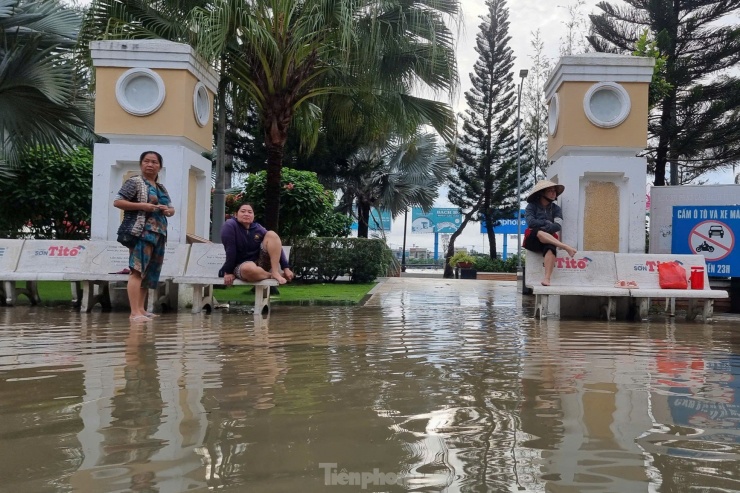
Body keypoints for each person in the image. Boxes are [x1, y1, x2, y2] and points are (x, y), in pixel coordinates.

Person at [114, 151, 175, 321]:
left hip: (159, 234)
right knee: (137, 270)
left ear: (159, 166)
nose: (150, 164)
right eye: (146, 161)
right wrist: (143, 206)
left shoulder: (161, 187)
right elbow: (118, 201)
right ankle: (134, 312)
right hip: (141, 232)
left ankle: (141, 309)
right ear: (141, 164)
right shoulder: (134, 182)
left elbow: (171, 209)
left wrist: (168, 211)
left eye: (154, 162)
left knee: (149, 273)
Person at [220, 202, 294, 286]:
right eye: (243, 211)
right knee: (248, 268)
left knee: (272, 234)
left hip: (260, 263)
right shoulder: (230, 225)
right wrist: (228, 271)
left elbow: (277, 246)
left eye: (250, 212)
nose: (246, 214)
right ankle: (271, 275)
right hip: (242, 266)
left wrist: (286, 268)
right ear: (236, 215)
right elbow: (230, 250)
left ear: (253, 216)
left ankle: (275, 272)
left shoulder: (258, 228)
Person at [523, 179, 577, 286]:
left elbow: (557, 226)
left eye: (554, 191)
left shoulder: (556, 209)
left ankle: (547, 279)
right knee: (538, 232)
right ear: (542, 193)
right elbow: (531, 223)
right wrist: (546, 222)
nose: (553, 193)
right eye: (550, 191)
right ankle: (566, 247)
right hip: (533, 239)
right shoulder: (531, 206)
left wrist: (543, 226)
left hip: (549, 239)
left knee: (551, 249)